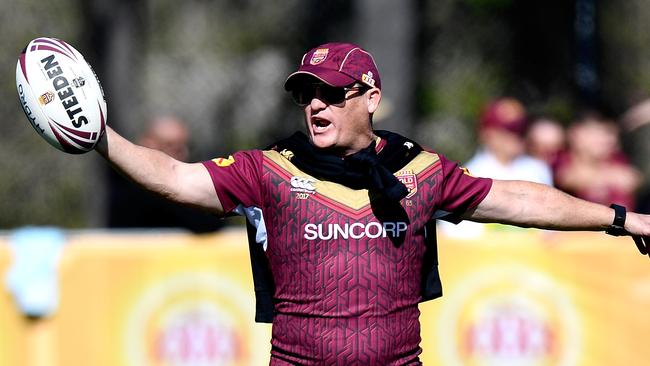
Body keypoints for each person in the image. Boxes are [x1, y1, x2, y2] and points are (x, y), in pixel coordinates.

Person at [94, 42, 650, 365]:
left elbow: (517, 200)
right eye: (305, 94)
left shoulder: (418, 169)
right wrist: (99, 133)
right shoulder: (268, 169)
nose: (315, 104)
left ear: (371, 98)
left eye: (332, 93)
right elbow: (172, 176)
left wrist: (621, 218)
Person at [106, 116, 224, 233]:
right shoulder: (126, 186)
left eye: (183, 146)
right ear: (147, 144)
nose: (183, 153)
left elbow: (211, 224)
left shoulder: (189, 183)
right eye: (171, 146)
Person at [554, 113, 641, 210]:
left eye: (611, 134)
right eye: (600, 134)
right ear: (576, 133)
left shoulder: (616, 158)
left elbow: (631, 179)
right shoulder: (562, 158)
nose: (610, 140)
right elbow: (568, 179)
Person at [465, 97, 553, 185]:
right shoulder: (473, 175)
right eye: (510, 130)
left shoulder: (538, 168)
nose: (517, 136)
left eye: (521, 129)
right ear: (488, 134)